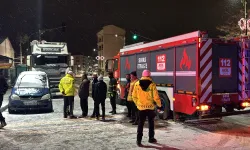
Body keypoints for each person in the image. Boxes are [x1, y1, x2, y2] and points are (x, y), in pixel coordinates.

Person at [132, 70, 162, 146]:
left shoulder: (136, 84)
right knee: (151, 123)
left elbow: (134, 96)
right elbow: (156, 97)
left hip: (141, 108)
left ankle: (139, 141)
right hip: (150, 108)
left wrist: (137, 104)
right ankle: (151, 138)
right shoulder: (152, 84)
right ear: (149, 75)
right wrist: (159, 105)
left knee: (140, 124)